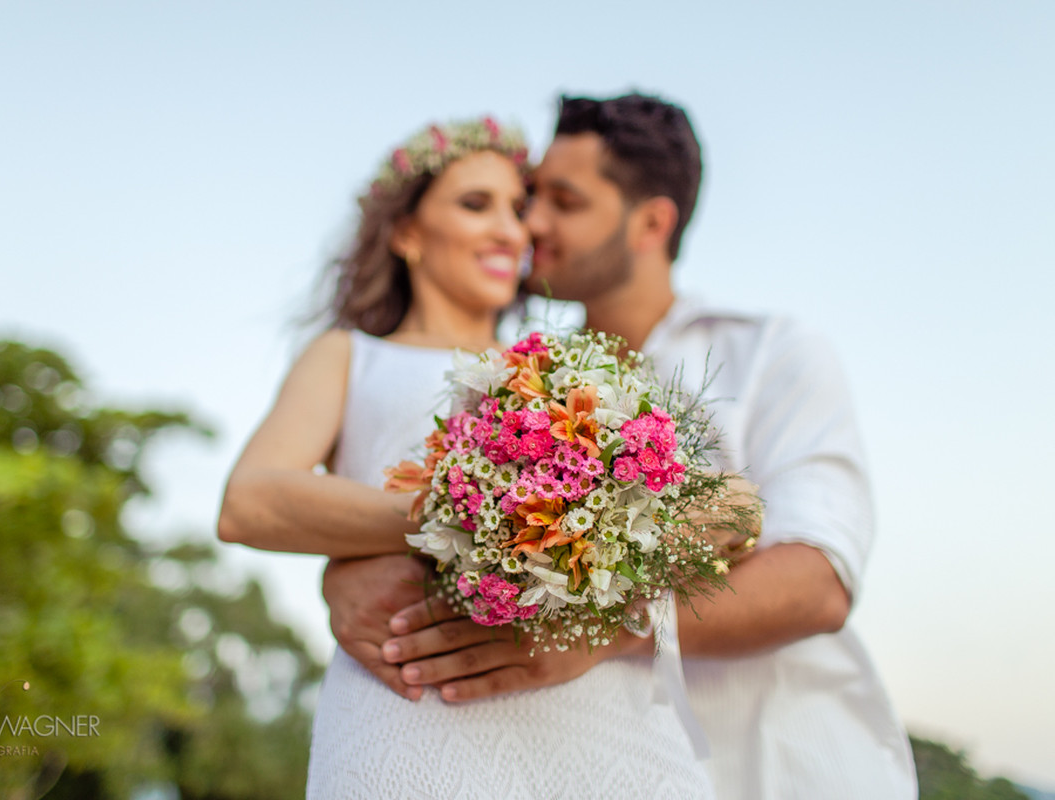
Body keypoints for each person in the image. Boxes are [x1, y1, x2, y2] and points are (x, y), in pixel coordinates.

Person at [322, 94, 919, 800]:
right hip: (585, 768)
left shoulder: (770, 352)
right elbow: (459, 521)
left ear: (651, 223)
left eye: (563, 202)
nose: (531, 223)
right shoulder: (518, 380)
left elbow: (818, 579)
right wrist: (347, 578)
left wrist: (607, 631)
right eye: (532, 196)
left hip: (780, 767)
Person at [218, 117, 718, 798]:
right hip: (413, 699)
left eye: (519, 209)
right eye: (475, 204)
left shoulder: (565, 367)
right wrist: (469, 517)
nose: (513, 232)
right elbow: (249, 502)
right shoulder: (352, 355)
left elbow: (723, 505)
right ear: (407, 232)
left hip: (591, 706)